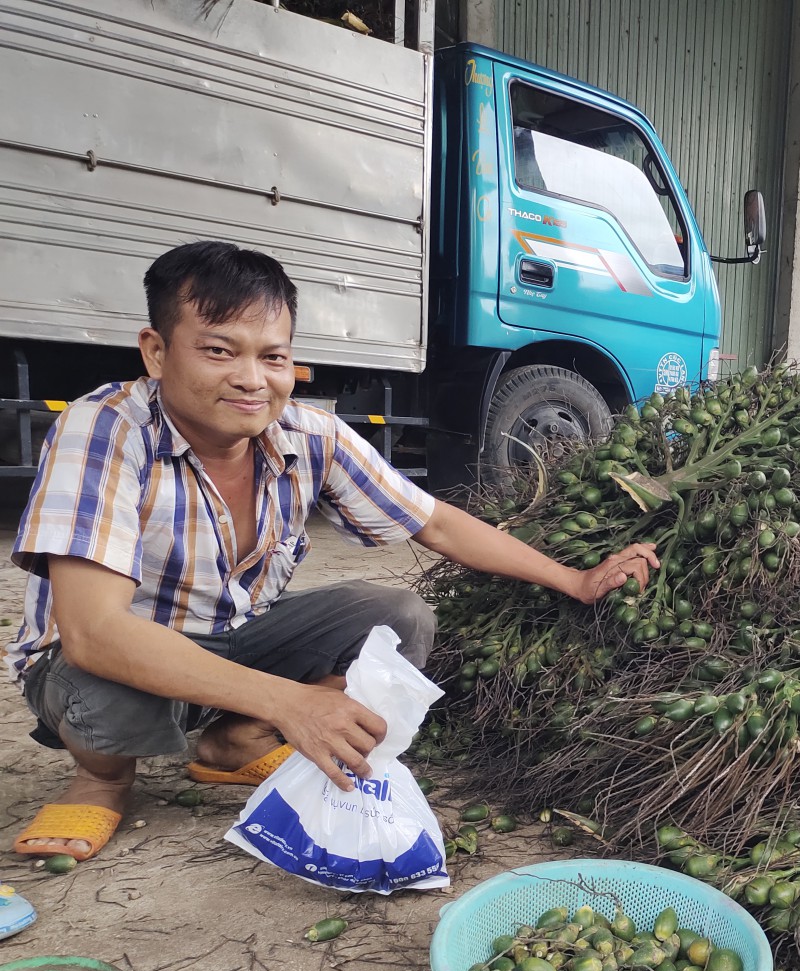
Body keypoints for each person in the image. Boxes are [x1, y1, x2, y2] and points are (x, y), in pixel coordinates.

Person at [10, 241, 657, 861]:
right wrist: (291, 702)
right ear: (156, 352)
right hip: (102, 660)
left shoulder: (307, 435)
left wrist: (574, 579)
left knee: (400, 615)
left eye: (273, 357)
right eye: (218, 351)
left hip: (234, 634)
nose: (250, 379)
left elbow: (437, 524)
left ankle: (233, 739)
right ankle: (104, 777)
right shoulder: (106, 428)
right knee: (100, 680)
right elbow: (95, 633)